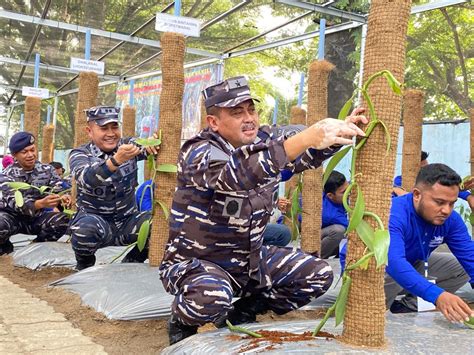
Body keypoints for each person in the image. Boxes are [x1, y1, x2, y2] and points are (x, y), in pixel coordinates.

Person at [159, 76, 368, 345]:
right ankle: (182, 320)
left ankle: (244, 311)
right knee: (211, 297)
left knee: (318, 274)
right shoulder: (198, 152)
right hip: (199, 265)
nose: (249, 119)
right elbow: (239, 173)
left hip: (250, 261)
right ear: (214, 122)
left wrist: (340, 133)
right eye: (237, 113)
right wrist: (307, 136)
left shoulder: (264, 141)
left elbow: (302, 155)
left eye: (251, 110)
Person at [69, 106, 160, 270]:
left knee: (159, 224)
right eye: (104, 128)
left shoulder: (127, 145)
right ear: (89, 131)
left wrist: (152, 144)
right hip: (97, 224)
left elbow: (145, 146)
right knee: (84, 230)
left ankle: (131, 263)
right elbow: (86, 179)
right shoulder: (80, 154)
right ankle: (84, 264)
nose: (111, 133)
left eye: (114, 127)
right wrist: (115, 161)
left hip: (127, 222)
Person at [385, 164, 474, 323]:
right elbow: (393, 262)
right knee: (391, 271)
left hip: (415, 263)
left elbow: (470, 257)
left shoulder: (451, 219)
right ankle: (378, 308)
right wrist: (437, 295)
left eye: (451, 203)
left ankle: (408, 305)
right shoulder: (394, 214)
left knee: (460, 269)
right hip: (378, 267)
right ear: (417, 195)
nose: (446, 210)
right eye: (439, 202)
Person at [0, 132, 70, 255]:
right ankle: (4, 246)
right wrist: (39, 204)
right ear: (14, 155)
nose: (30, 155)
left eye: (32, 150)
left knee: (63, 220)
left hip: (36, 219)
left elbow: (58, 187)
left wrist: (63, 196)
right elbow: (14, 202)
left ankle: (36, 248)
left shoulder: (47, 170)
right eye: (24, 152)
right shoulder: (6, 175)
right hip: (12, 218)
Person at [321, 170, 349, 258]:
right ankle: (317, 257)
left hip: (326, 233)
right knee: (339, 231)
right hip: (314, 237)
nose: (349, 193)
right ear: (330, 195)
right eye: (344, 192)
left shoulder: (332, 191)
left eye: (349, 188)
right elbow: (353, 227)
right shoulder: (331, 214)